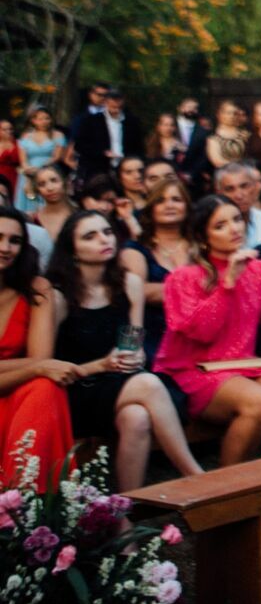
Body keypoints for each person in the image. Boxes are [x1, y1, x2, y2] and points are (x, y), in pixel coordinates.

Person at [47, 210, 203, 491]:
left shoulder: (129, 283)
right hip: (75, 389)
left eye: (107, 232)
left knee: (137, 417)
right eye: (90, 236)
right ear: (72, 250)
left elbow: (133, 340)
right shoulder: (58, 297)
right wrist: (101, 365)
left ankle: (127, 506)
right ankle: (195, 475)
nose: (103, 239)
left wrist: (135, 355)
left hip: (118, 383)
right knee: (148, 384)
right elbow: (44, 367)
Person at [154, 196, 261, 468]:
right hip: (194, 370)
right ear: (203, 237)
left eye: (237, 219)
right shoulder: (182, 277)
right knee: (257, 400)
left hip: (243, 364)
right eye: (220, 225)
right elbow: (202, 333)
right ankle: (231, 489)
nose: (234, 228)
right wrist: (228, 282)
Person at [0, 206, 76, 490]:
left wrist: (39, 367)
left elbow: (42, 358)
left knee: (45, 387)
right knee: (43, 379)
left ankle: (24, 503)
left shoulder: (36, 287)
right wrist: (38, 367)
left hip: (16, 393)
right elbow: (40, 363)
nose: (5, 248)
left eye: (14, 240)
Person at [128, 177, 192, 364]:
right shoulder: (135, 248)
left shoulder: (202, 245)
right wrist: (197, 290)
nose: (169, 205)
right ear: (151, 208)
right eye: (160, 200)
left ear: (187, 206)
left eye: (176, 199)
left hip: (200, 335)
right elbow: (138, 290)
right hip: (155, 339)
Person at [70, 88, 141, 186]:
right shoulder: (92, 121)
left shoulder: (132, 122)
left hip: (125, 166)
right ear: (106, 102)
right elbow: (80, 145)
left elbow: (138, 146)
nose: (115, 105)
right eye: (113, 102)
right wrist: (103, 153)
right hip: (98, 168)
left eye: (118, 102)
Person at [16, 107, 68, 213]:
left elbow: (56, 157)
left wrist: (40, 169)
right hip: (29, 173)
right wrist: (27, 169)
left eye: (47, 118)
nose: (44, 121)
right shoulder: (26, 136)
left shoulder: (58, 135)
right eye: (40, 119)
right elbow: (23, 159)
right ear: (33, 120)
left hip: (49, 171)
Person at [213, 161, 261, 248]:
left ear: (255, 187)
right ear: (219, 193)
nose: (239, 195)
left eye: (244, 186)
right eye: (230, 189)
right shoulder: (213, 227)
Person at [27, 167, 73, 257]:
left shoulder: (79, 214)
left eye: (54, 180)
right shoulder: (32, 219)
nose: (49, 188)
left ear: (64, 182)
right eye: (42, 184)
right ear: (37, 190)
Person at [0, 121, 20, 205]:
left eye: (10, 129)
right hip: (0, 175)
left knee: (14, 198)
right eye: (5, 129)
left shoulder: (18, 143)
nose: (8, 131)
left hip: (14, 175)